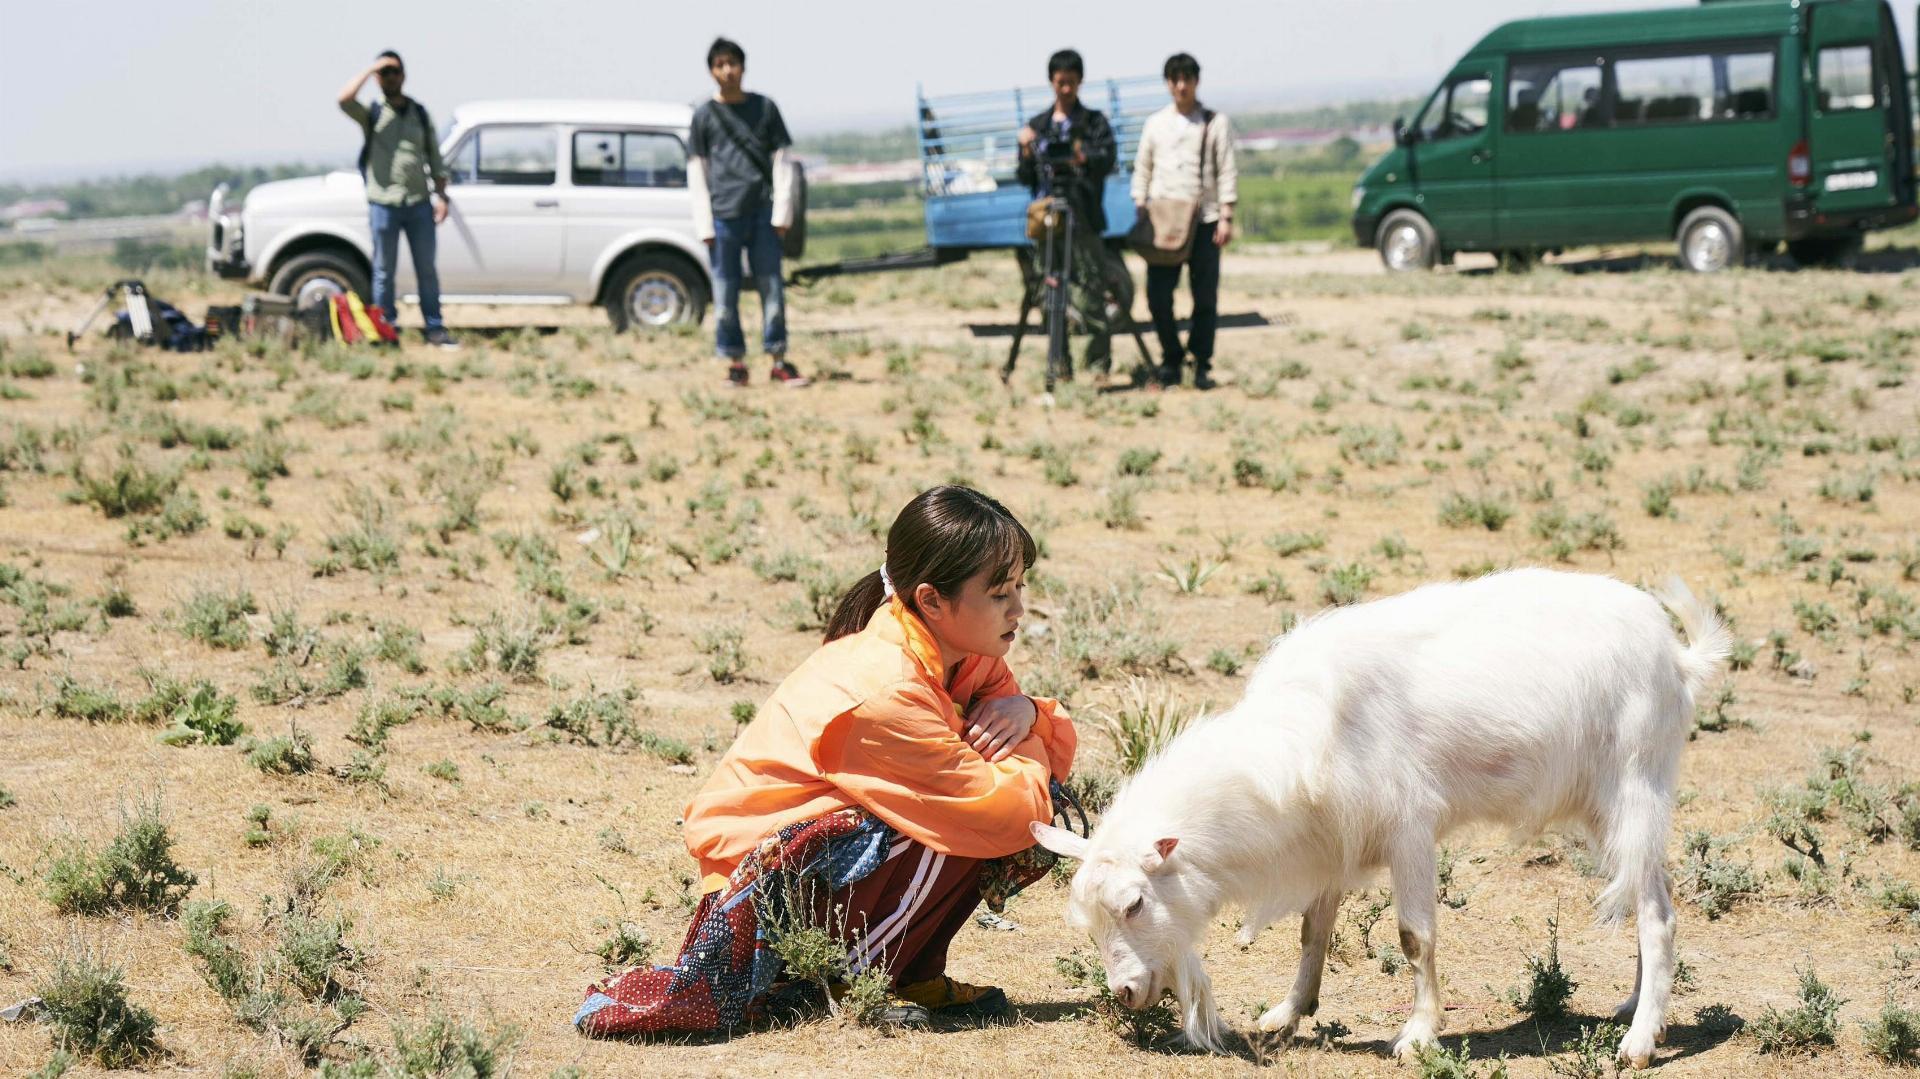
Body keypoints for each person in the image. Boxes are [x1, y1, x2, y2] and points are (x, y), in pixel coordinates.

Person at [575, 486, 1078, 1037]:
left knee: (972, 810)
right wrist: (1031, 730)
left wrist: (1024, 711)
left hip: (812, 867)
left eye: (1019, 587)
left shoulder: (966, 657)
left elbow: (1014, 769)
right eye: (1000, 592)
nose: (1019, 609)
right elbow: (1006, 809)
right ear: (932, 600)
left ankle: (907, 973)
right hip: (761, 879)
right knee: (953, 822)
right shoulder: (885, 688)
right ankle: (852, 978)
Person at [688, 37, 806, 388]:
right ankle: (735, 364)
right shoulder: (704, 116)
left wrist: (781, 215)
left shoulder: (765, 108)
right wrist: (704, 224)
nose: (727, 71)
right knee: (724, 294)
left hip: (761, 213)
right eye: (719, 64)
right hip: (723, 218)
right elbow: (698, 170)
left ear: (743, 66)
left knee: (772, 290)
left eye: (732, 63)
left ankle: (779, 360)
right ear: (711, 71)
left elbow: (782, 162)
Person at [336, 50, 456, 349]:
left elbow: (435, 159)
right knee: (383, 271)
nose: (390, 77)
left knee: (426, 269)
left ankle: (434, 327)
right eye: (384, 73)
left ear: (404, 74)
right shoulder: (373, 114)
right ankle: (385, 327)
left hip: (418, 202)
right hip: (384, 203)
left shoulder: (420, 113)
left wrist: (441, 195)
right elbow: (344, 100)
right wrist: (370, 69)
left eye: (394, 71)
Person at [1132, 52, 1238, 390]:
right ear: (1167, 83)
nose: (1181, 86)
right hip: (1165, 220)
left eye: (1187, 79)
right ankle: (1171, 358)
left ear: (1196, 81)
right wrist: (1141, 204)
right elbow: (1143, 167)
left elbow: (1227, 169)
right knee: (1158, 296)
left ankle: (1201, 361)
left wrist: (1226, 215)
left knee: (1204, 296)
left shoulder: (1214, 122)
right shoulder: (1156, 123)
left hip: (1205, 218)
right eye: (1175, 79)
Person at [1015, 49, 1120, 378]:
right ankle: (1060, 364)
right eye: (1060, 82)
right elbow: (1024, 177)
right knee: (1051, 292)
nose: (1065, 89)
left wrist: (1081, 156)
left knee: (1091, 289)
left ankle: (1098, 365)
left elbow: (1107, 161)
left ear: (1080, 82)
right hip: (1049, 220)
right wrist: (1024, 151)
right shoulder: (1038, 127)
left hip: (1083, 217)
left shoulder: (1094, 124)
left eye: (1071, 83)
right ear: (1051, 82)